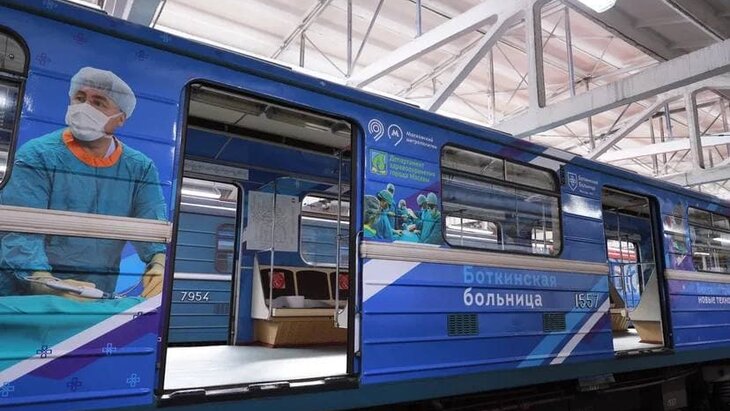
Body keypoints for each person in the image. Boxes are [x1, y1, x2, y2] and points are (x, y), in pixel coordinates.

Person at [0, 67, 167, 300]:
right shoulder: (37, 156)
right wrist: (46, 283)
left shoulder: (140, 168)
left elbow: (152, 229)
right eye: (79, 98)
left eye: (98, 102)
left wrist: (159, 264)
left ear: (121, 118)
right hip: (27, 297)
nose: (84, 107)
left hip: (96, 294)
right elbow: (19, 234)